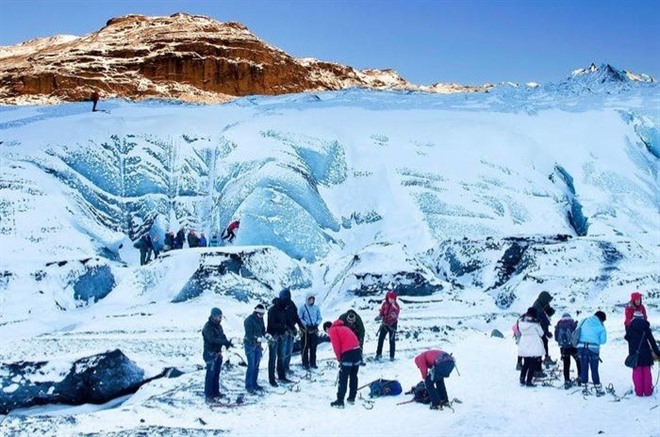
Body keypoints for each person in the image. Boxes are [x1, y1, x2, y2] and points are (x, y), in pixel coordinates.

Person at [324, 320, 362, 408]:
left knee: (343, 377)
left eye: (326, 332)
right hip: (357, 351)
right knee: (353, 375)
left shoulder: (333, 330)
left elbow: (336, 346)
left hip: (348, 353)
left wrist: (339, 358)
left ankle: (340, 400)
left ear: (327, 328)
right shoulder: (344, 327)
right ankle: (352, 397)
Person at [624, 311, 660, 396]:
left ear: (634, 317)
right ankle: (648, 391)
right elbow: (652, 342)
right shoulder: (646, 327)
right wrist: (658, 353)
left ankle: (639, 392)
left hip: (635, 353)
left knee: (637, 373)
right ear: (642, 318)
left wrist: (631, 352)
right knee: (647, 373)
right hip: (646, 353)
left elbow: (627, 338)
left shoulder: (630, 327)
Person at [202, 307, 233, 402]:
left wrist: (227, 342)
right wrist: (223, 341)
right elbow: (212, 339)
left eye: (221, 317)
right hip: (210, 354)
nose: (220, 319)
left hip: (218, 354)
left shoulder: (219, 326)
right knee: (210, 375)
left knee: (216, 374)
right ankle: (208, 395)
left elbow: (222, 336)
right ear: (214, 316)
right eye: (219, 317)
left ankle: (216, 392)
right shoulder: (207, 327)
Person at [576, 311, 607, 395]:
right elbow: (603, 341)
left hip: (581, 348)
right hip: (593, 349)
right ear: (602, 319)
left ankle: (584, 388)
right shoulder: (601, 326)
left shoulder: (584, 320)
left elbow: (577, 331)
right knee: (594, 369)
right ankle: (598, 388)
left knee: (583, 368)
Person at [267, 295, 292, 386]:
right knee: (272, 358)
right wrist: (282, 327)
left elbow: (286, 322)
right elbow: (271, 324)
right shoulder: (272, 310)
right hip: (273, 336)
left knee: (281, 356)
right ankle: (271, 379)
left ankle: (281, 376)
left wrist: (288, 328)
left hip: (282, 335)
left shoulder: (283, 310)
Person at [517, 307, 544, 387]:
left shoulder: (521, 322)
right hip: (534, 343)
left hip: (524, 342)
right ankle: (529, 381)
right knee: (533, 363)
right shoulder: (535, 323)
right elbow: (541, 333)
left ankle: (522, 379)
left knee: (526, 363)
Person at [554, 313, 582, 389]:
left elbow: (556, 338)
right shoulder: (573, 323)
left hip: (564, 348)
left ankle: (567, 381)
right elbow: (577, 335)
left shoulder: (559, 323)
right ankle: (580, 377)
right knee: (578, 362)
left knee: (566, 364)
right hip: (574, 347)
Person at [244, 304, 267, 394]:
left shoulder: (261, 319)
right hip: (250, 345)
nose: (262, 316)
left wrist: (266, 335)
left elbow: (263, 330)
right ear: (256, 312)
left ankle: (254, 383)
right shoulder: (248, 321)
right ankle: (249, 385)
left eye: (263, 314)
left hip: (258, 346)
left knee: (256, 365)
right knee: (251, 365)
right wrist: (258, 338)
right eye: (260, 314)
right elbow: (249, 336)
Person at [281, 289, 303, 373]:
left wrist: (300, 326)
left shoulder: (292, 304)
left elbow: (296, 317)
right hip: (284, 330)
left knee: (289, 349)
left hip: (291, 330)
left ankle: (286, 367)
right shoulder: (280, 305)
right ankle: (281, 368)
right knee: (283, 350)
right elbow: (282, 319)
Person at [298, 292, 322, 369]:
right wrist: (305, 325)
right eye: (310, 299)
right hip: (306, 330)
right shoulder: (302, 308)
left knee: (313, 347)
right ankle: (305, 363)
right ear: (307, 299)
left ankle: (313, 362)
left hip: (314, 329)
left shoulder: (316, 308)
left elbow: (320, 318)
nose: (311, 300)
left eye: (312, 299)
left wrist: (316, 324)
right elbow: (300, 318)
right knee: (305, 347)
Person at [532, 291, 555, 366]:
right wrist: (547, 332)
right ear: (544, 299)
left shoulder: (541, 304)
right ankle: (539, 364)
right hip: (537, 330)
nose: (548, 302)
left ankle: (544, 358)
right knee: (541, 344)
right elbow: (542, 322)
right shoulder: (538, 309)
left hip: (537, 329)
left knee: (543, 343)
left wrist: (549, 311)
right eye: (548, 300)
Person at [375, 290, 400, 361]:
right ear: (388, 298)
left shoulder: (396, 306)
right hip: (385, 324)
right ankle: (378, 354)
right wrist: (380, 316)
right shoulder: (384, 304)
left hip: (392, 325)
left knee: (392, 340)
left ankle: (392, 356)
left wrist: (389, 317)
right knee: (380, 339)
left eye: (393, 299)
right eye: (390, 298)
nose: (391, 300)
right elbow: (382, 312)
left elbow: (395, 315)